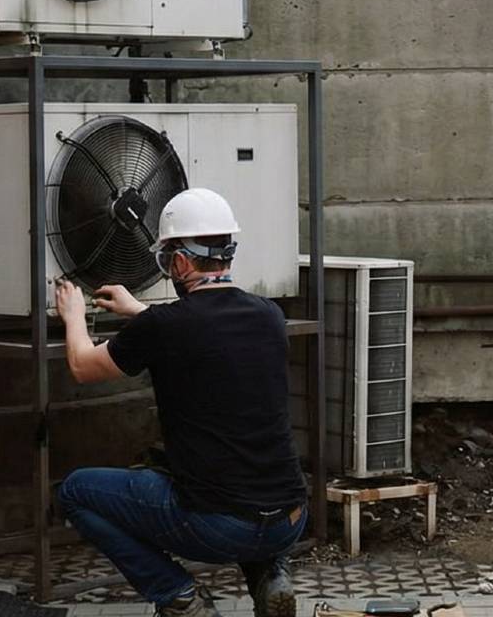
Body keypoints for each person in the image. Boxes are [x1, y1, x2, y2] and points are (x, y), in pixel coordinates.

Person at [53, 188, 307, 617]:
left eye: (168, 257)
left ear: (183, 262)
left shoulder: (165, 327)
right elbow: (201, 330)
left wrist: (73, 314)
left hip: (218, 527)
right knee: (247, 473)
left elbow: (81, 365)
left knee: (75, 491)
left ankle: (178, 596)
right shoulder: (270, 316)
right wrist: (140, 313)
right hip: (290, 520)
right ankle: (270, 575)